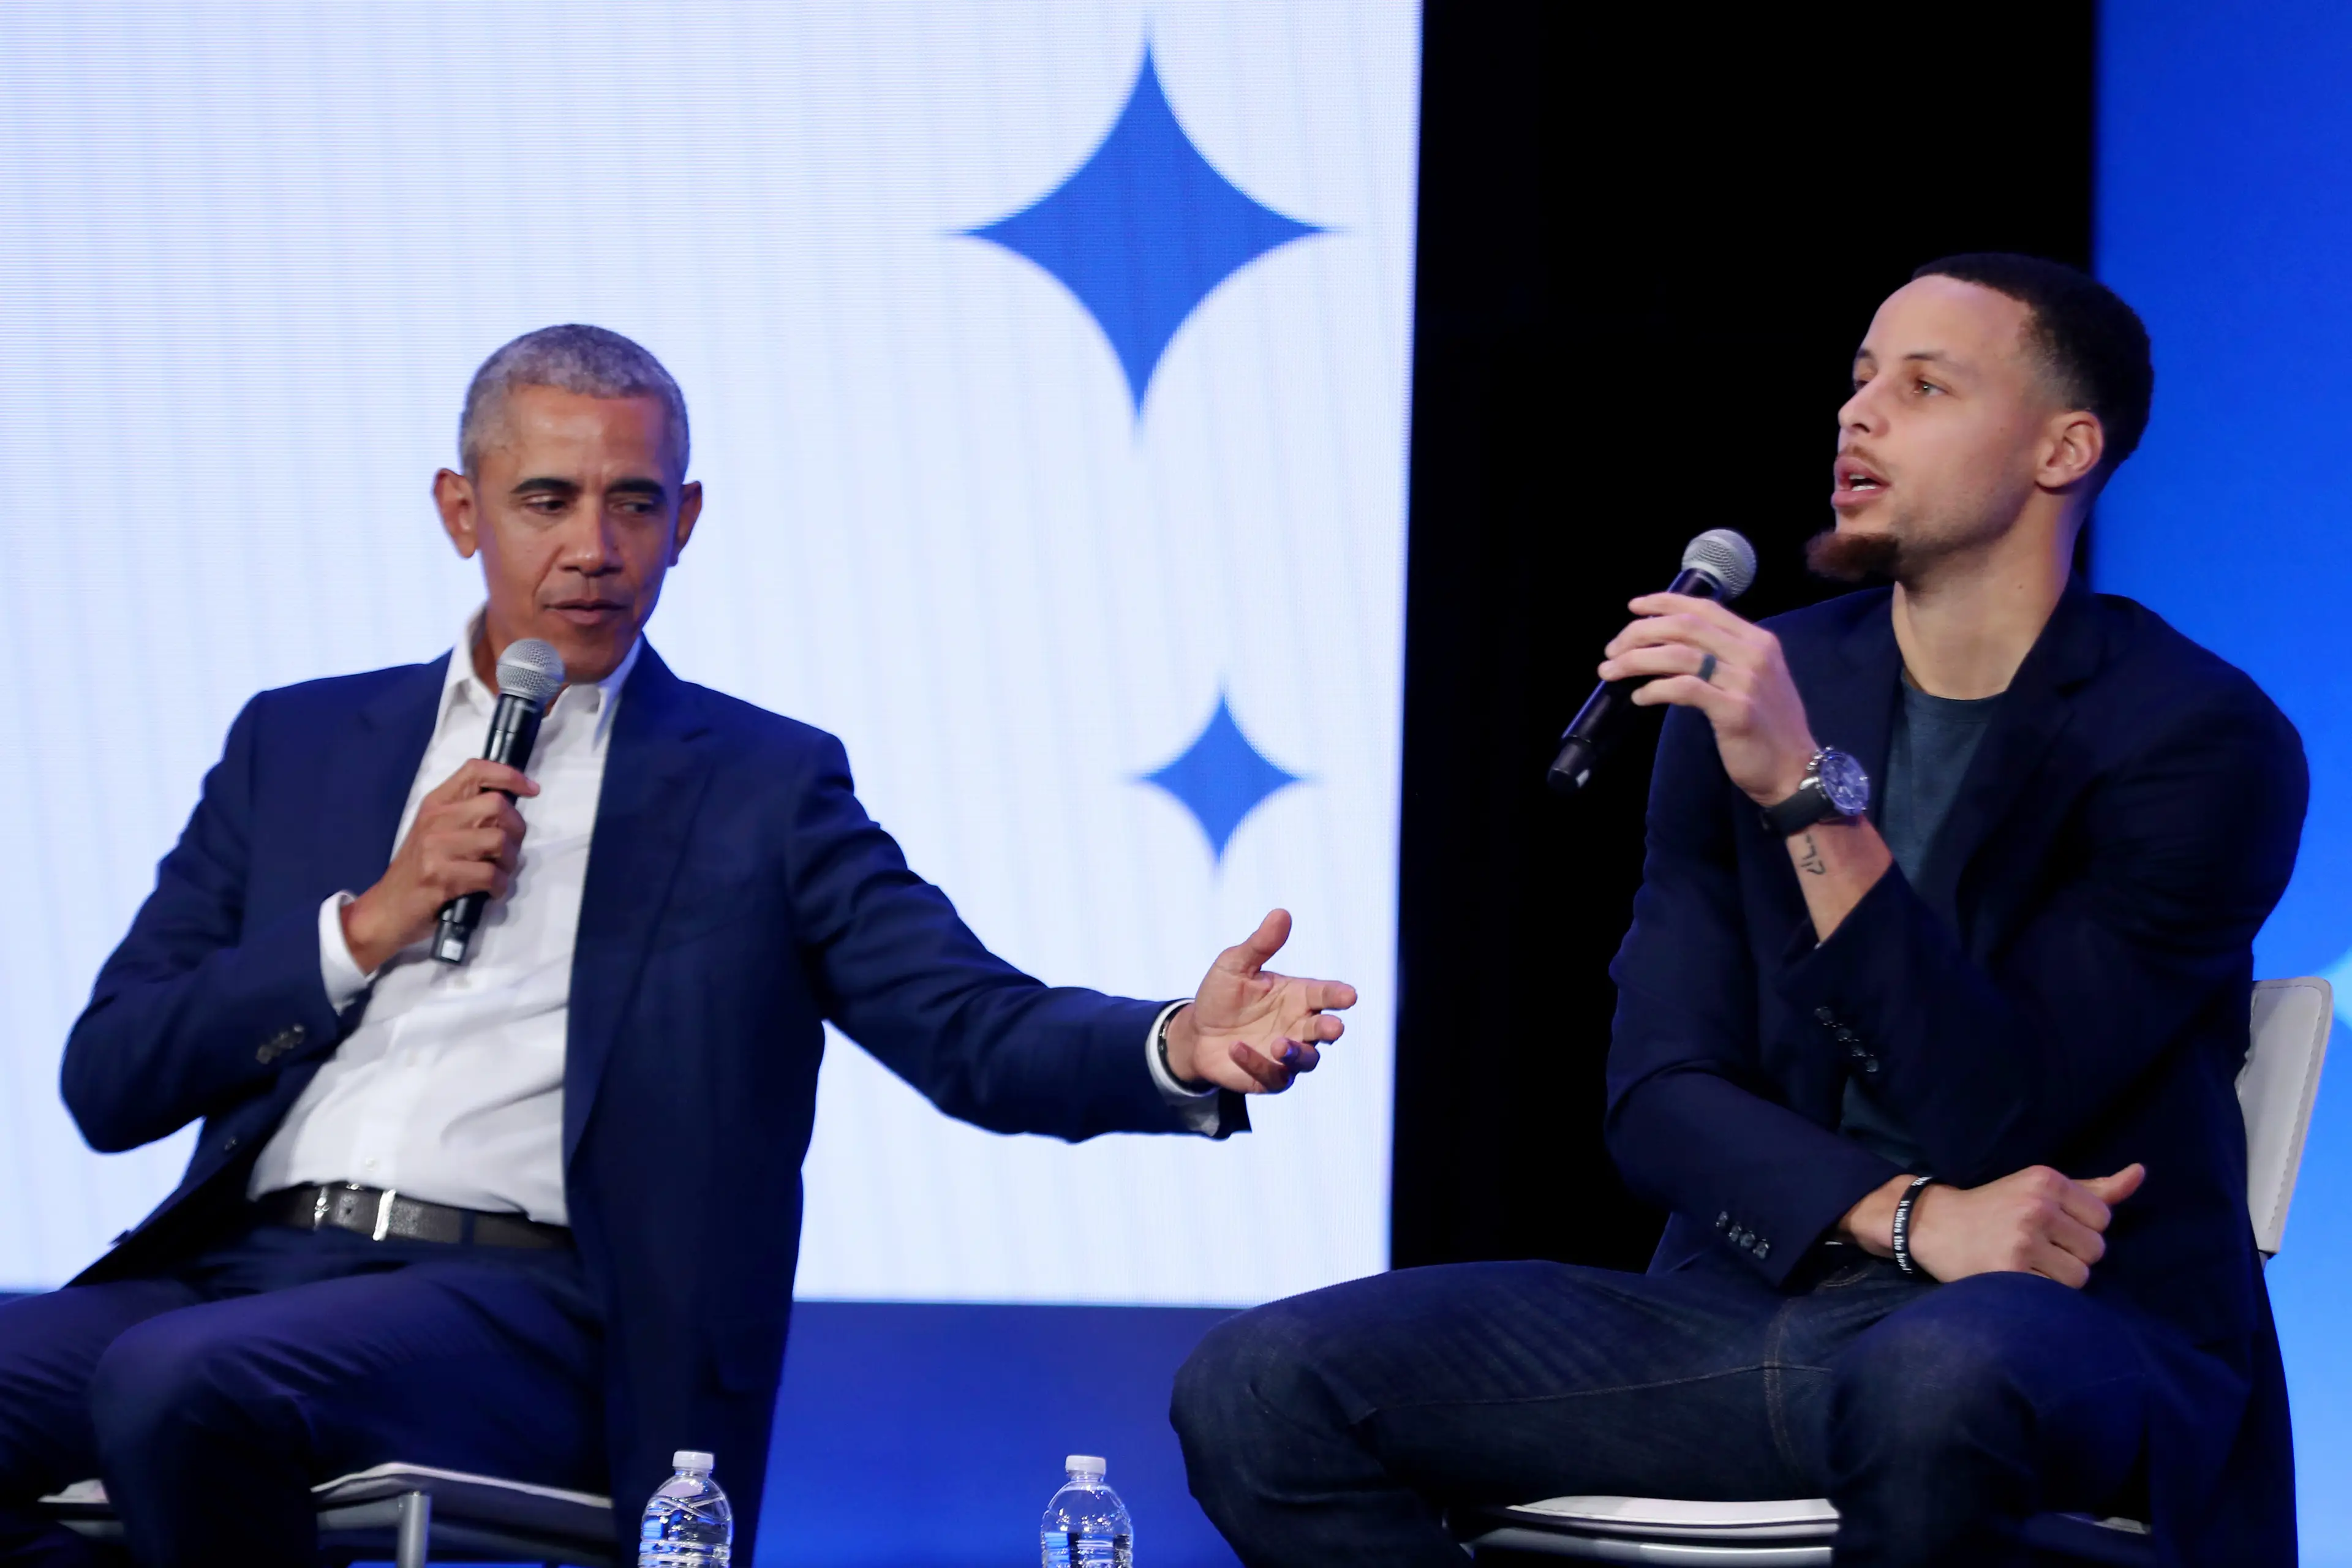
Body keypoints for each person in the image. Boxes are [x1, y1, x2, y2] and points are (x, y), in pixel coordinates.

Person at [0, 325, 1357, 1568]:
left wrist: (1177, 1044)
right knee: (147, 1378)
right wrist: (370, 925)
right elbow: (111, 1077)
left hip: (530, 1308)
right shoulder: (294, 742)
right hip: (242, 1269)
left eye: (634, 501)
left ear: (684, 520)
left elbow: (969, 1026)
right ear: (458, 509)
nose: (595, 544)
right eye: (547, 499)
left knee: (179, 1383)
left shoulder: (759, 787)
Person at [1172, 255, 2305, 1567]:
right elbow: (1658, 1087)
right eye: (1860, 377)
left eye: (1925, 385)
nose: (1859, 414)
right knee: (1261, 1385)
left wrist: (1804, 794)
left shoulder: (2196, 737)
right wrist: (1898, 1215)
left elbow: (1997, 1103)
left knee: (1934, 1387)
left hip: (2071, 1329)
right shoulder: (1773, 683)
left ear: (2065, 448)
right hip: (1752, 1311)